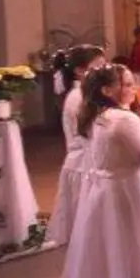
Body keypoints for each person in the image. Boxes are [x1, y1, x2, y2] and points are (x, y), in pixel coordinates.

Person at [56, 64, 140, 278]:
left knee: (112, 247)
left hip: (103, 186)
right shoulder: (124, 119)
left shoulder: (96, 114)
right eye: (126, 84)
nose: (132, 88)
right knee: (128, 243)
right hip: (125, 186)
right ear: (107, 90)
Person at [47, 43, 106, 246]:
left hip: (87, 159)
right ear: (80, 71)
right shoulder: (79, 97)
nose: (103, 72)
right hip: (83, 162)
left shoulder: (87, 94)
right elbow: (91, 133)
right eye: (97, 67)